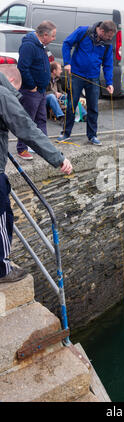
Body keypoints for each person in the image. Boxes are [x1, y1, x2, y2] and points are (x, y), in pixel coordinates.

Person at [0, 65, 73, 283]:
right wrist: (58, 158)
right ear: (12, 82)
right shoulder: (3, 94)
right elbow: (27, 129)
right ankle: (2, 270)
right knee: (3, 219)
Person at [59, 21, 116, 146]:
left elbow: (108, 64)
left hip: (93, 78)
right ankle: (65, 133)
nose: (110, 39)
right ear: (101, 31)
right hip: (76, 75)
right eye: (108, 36)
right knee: (71, 105)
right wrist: (67, 62)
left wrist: (109, 82)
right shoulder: (83, 31)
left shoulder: (107, 44)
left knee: (93, 108)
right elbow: (67, 43)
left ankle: (92, 135)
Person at [16, 21, 57, 161]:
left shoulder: (42, 46)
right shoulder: (29, 45)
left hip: (41, 91)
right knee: (27, 120)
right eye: (53, 36)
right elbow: (22, 67)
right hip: (31, 91)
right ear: (45, 35)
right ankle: (22, 149)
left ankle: (43, 147)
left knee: (41, 119)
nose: (54, 39)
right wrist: (32, 85)